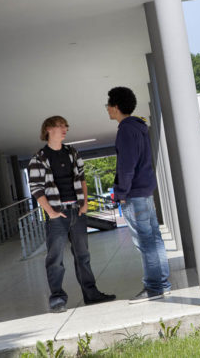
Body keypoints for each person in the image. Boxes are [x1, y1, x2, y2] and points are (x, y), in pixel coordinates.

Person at [28, 116, 115, 313]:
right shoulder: (38, 158)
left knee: (83, 256)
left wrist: (84, 205)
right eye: (60, 126)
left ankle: (91, 295)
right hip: (57, 216)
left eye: (66, 126)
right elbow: (36, 188)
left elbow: (82, 179)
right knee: (55, 259)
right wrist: (50, 212)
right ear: (49, 129)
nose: (65, 129)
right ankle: (57, 299)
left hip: (77, 211)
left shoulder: (72, 152)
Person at [106, 87, 171, 303]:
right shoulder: (139, 127)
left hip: (133, 194)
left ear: (116, 107)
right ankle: (162, 284)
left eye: (108, 105)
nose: (106, 108)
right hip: (144, 191)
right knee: (154, 239)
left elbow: (126, 166)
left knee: (145, 242)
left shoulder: (125, 130)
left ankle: (153, 288)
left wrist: (121, 193)